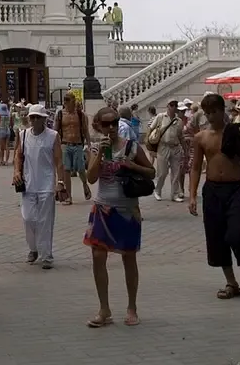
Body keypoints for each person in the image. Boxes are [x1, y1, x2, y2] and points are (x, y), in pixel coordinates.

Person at [188, 94, 240, 302]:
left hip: (235, 189)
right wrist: (192, 196)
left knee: (236, 234)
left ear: (223, 110)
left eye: (215, 111)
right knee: (217, 238)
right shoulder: (201, 137)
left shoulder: (237, 132)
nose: (212, 116)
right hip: (212, 190)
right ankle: (231, 282)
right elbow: (195, 168)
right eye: (208, 113)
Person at [83, 105, 154, 327]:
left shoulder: (131, 147)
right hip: (103, 208)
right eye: (106, 124)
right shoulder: (95, 149)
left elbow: (152, 172)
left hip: (127, 210)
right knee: (97, 257)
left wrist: (132, 165)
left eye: (114, 122)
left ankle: (132, 307)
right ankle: (104, 309)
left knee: (128, 257)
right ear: (98, 126)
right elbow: (91, 178)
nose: (111, 127)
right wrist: (99, 158)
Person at [12, 104, 64, 269]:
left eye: (37, 117)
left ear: (44, 119)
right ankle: (34, 248)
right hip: (28, 184)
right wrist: (16, 172)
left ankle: (46, 256)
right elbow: (18, 155)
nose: (34, 120)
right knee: (28, 218)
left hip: (46, 184)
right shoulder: (24, 134)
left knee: (45, 221)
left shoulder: (53, 136)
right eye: (32, 117)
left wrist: (60, 182)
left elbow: (58, 161)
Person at [55, 93, 91, 204]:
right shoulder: (60, 114)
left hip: (78, 144)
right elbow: (56, 131)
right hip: (65, 144)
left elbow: (85, 130)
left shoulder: (80, 115)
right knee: (66, 170)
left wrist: (89, 144)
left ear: (74, 101)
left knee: (80, 168)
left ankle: (85, 185)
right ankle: (69, 196)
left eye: (68, 100)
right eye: (65, 100)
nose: (66, 102)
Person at [148, 99, 185, 202]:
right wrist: (150, 146)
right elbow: (151, 129)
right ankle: (157, 190)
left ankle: (175, 194)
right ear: (167, 106)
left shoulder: (179, 121)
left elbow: (181, 136)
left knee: (176, 172)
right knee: (162, 172)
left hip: (175, 147)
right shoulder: (160, 117)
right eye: (171, 105)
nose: (173, 107)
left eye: (175, 105)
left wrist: (185, 149)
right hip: (163, 146)